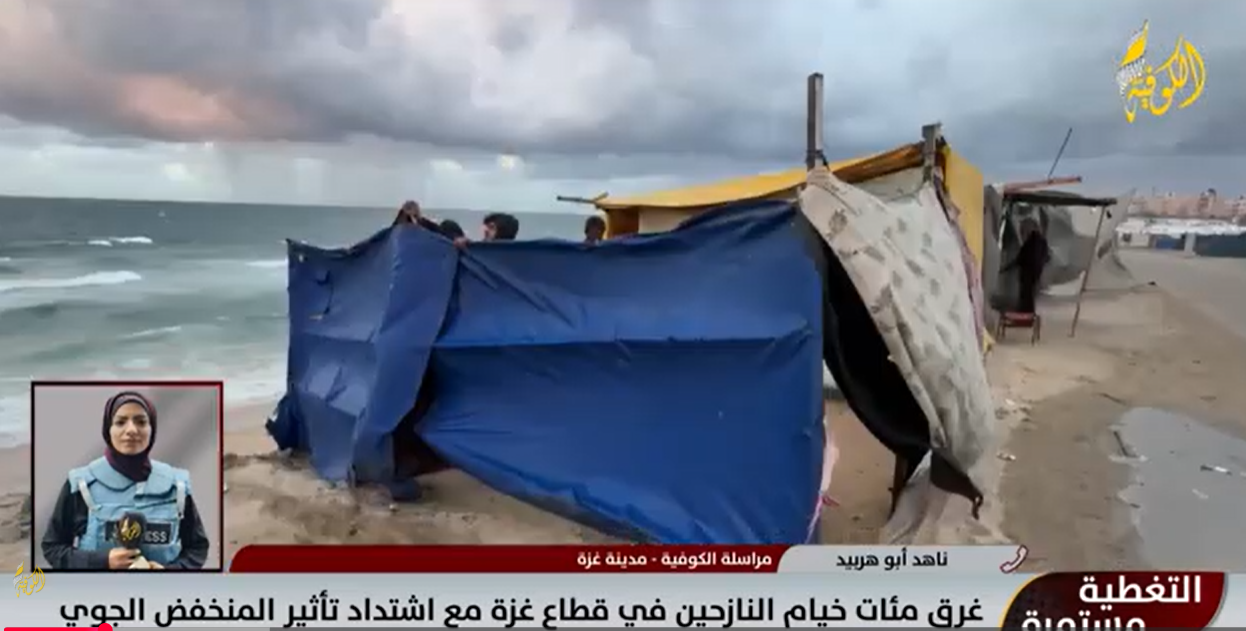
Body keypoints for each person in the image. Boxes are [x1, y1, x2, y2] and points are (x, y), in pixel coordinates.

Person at [41, 392, 210, 570]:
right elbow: (53, 548)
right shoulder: (81, 486)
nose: (131, 430)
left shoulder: (177, 486)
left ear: (152, 429)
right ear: (108, 429)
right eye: (120, 422)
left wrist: (168, 572)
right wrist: (103, 561)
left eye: (141, 422)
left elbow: (197, 548)